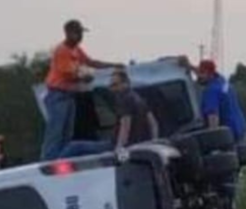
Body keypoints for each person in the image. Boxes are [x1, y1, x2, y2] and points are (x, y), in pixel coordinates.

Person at [41, 19, 122, 161]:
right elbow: (71, 74)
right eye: (77, 33)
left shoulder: (76, 49)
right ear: (68, 33)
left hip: (68, 96)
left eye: (81, 33)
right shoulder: (62, 51)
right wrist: (86, 77)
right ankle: (48, 161)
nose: (80, 36)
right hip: (57, 95)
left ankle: (60, 160)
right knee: (56, 133)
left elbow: (91, 62)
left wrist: (113, 65)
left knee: (67, 134)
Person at [111, 69, 159, 160]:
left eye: (115, 85)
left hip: (127, 146)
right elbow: (153, 124)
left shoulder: (124, 99)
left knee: (78, 147)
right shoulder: (139, 99)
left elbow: (125, 126)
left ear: (125, 83)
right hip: (140, 144)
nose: (112, 88)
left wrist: (118, 148)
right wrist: (153, 142)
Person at [197, 60, 246, 143]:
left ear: (210, 74)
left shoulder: (211, 91)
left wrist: (213, 142)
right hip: (240, 128)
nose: (198, 76)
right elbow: (206, 73)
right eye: (199, 72)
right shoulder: (222, 81)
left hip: (229, 135)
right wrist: (188, 65)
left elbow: (213, 118)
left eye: (202, 73)